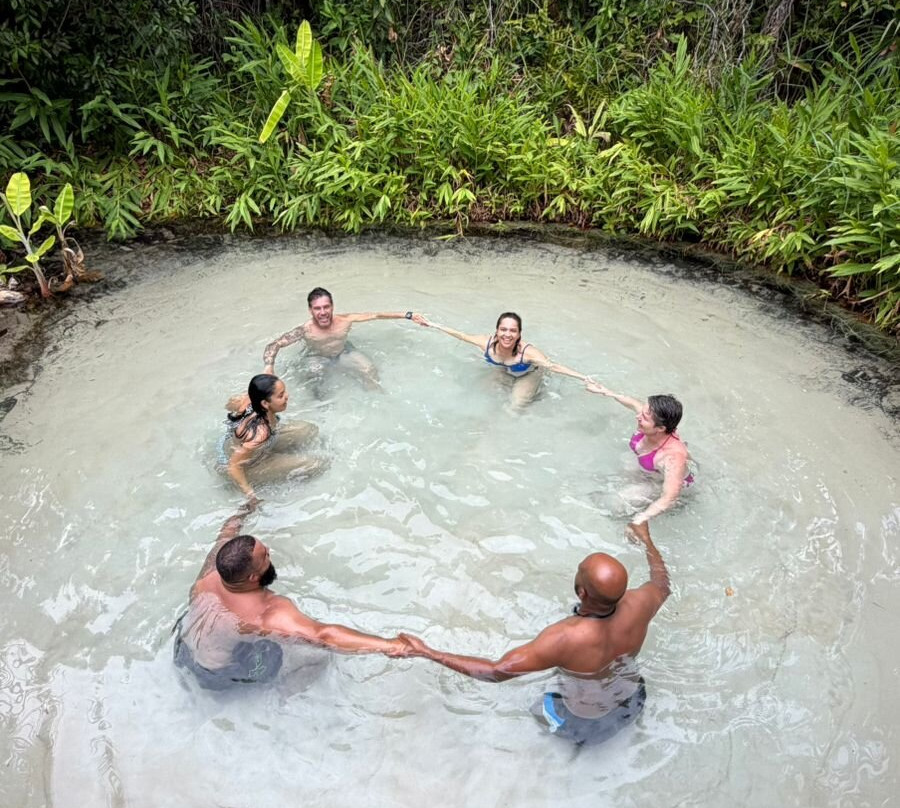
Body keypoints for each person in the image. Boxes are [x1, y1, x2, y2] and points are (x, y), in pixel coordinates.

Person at [400, 522, 671, 746]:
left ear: (582, 592)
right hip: (632, 700)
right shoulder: (640, 603)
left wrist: (426, 651)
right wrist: (646, 539)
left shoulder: (563, 638)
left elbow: (496, 672)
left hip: (584, 723)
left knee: (538, 712)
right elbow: (662, 583)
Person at [174, 500, 410, 690]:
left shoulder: (209, 574)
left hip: (182, 650)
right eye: (265, 556)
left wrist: (247, 507)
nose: (270, 553)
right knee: (313, 657)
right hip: (217, 676)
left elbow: (226, 533)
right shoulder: (266, 614)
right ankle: (286, 694)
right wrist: (393, 646)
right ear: (252, 578)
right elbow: (323, 636)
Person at [417, 311, 590, 410]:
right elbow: (461, 335)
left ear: (519, 334)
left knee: (516, 405)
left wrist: (584, 378)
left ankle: (537, 395)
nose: (507, 334)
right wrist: (432, 325)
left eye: (513, 331)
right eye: (503, 329)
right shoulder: (486, 343)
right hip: (502, 368)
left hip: (528, 373)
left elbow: (553, 366)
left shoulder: (528, 353)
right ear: (497, 331)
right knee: (482, 393)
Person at [262, 287, 424, 391]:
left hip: (343, 353)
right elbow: (274, 345)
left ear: (332, 306)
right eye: (317, 308)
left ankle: (374, 397)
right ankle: (322, 404)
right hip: (317, 357)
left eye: (326, 307)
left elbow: (376, 315)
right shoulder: (305, 330)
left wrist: (409, 315)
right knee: (314, 375)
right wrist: (269, 367)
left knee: (369, 369)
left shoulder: (345, 320)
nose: (323, 312)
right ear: (310, 310)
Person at [585, 382, 693, 525]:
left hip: (661, 481)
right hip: (646, 467)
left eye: (645, 417)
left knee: (618, 502)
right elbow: (633, 403)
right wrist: (607, 392)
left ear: (661, 428)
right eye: (642, 412)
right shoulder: (650, 420)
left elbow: (669, 497)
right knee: (624, 468)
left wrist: (642, 518)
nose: (638, 417)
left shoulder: (673, 457)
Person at [218, 374, 325, 500]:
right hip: (250, 466)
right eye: (280, 395)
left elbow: (230, 405)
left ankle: (277, 454)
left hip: (259, 445)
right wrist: (250, 495)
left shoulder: (251, 399)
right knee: (315, 464)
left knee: (310, 430)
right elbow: (234, 466)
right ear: (265, 403)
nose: (287, 397)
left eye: (284, 391)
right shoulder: (260, 433)